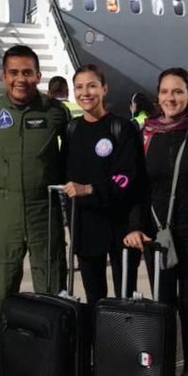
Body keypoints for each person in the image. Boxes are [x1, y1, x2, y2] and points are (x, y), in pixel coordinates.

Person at [123, 67, 188, 376]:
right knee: (164, 305)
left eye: (178, 92)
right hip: (157, 236)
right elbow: (137, 187)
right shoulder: (146, 133)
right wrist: (134, 225)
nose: (170, 98)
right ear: (157, 96)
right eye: (165, 92)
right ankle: (161, 372)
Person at [0, 45, 69, 365]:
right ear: (4, 77)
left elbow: (69, 154)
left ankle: (52, 360)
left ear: (38, 76)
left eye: (27, 72)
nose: (20, 79)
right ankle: (2, 360)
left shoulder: (55, 111)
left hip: (45, 211)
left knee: (52, 286)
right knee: (2, 289)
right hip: (5, 211)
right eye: (13, 73)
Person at [62, 65, 144, 305]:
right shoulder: (72, 130)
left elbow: (127, 178)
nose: (85, 93)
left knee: (125, 299)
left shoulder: (122, 128)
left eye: (92, 86)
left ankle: (122, 342)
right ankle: (96, 343)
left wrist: (90, 189)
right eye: (79, 87)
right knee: (94, 298)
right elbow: (64, 175)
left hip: (120, 226)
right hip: (86, 228)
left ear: (104, 89)